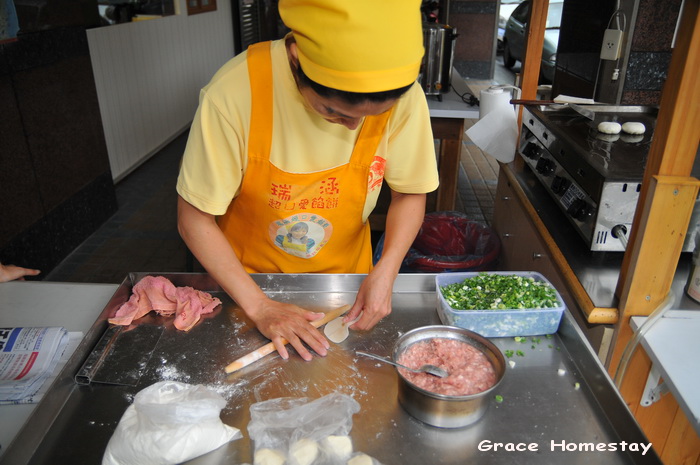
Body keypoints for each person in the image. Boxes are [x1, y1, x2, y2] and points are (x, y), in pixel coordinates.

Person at [177, 0, 439, 362]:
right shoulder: (235, 93)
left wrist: (387, 269)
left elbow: (410, 193)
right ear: (297, 59)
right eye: (332, 110)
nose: (353, 127)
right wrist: (260, 307)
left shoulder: (403, 97)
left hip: (347, 286)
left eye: (372, 117)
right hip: (246, 285)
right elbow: (194, 217)